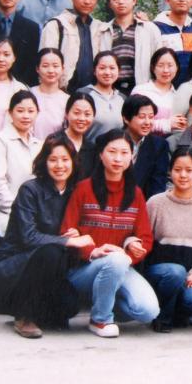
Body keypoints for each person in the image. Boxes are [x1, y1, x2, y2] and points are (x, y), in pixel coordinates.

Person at [62, 130, 160, 338]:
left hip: (120, 264)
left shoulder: (136, 194)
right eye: (112, 151)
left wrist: (132, 250)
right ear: (101, 154)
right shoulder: (83, 189)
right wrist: (92, 251)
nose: (118, 158)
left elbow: (145, 238)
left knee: (148, 311)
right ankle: (100, 319)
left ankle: (104, 301)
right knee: (115, 260)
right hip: (84, 269)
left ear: (132, 157)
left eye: (124, 153)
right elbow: (67, 232)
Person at [0, 134, 88, 338]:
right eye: (53, 159)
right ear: (44, 162)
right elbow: (29, 237)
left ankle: (40, 311)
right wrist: (69, 240)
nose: (59, 165)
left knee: (70, 306)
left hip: (49, 269)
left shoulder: (74, 191)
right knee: (51, 252)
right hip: (13, 268)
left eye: (65, 159)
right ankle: (24, 315)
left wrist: (77, 231)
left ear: (73, 162)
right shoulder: (30, 190)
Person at [144, 148, 192, 332]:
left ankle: (177, 313)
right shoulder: (156, 203)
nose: (183, 175)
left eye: (189, 170)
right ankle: (162, 317)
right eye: (177, 170)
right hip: (160, 273)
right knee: (174, 272)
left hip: (189, 273)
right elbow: (143, 240)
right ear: (170, 172)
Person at [0, 90, 43, 236]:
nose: (26, 116)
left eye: (31, 111)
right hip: (2, 211)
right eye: (20, 111)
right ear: (10, 113)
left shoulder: (39, 145)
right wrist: (21, 211)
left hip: (31, 213)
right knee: (22, 234)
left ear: (37, 113)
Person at [40, 0, 105, 92]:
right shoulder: (56, 25)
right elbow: (45, 62)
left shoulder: (99, 27)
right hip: (62, 91)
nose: (87, 1)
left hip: (93, 93)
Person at [96, 0, 162, 94]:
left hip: (142, 90)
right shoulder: (103, 31)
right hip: (111, 91)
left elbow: (159, 60)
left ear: (134, 0)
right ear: (109, 4)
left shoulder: (149, 29)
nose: (120, 2)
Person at [118, 94, 170, 198]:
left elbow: (157, 185)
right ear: (126, 119)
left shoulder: (159, 146)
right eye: (142, 117)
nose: (147, 122)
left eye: (151, 117)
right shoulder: (110, 141)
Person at [133, 48, 188, 136]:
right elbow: (133, 122)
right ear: (153, 68)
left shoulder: (178, 97)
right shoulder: (141, 91)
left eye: (170, 65)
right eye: (160, 65)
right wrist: (167, 124)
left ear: (177, 68)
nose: (165, 70)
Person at [80, 52, 125, 140]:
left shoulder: (122, 98)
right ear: (94, 71)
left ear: (119, 71)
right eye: (102, 68)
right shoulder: (84, 94)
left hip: (115, 148)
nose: (107, 72)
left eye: (112, 68)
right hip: (89, 147)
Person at [31, 49, 70, 139]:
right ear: (37, 69)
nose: (51, 70)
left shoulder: (67, 100)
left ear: (62, 69)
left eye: (55, 66)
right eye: (45, 66)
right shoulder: (29, 93)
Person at [55, 91, 97, 167]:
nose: (82, 118)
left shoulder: (92, 149)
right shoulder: (53, 142)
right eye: (77, 113)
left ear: (93, 117)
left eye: (87, 114)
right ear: (66, 114)